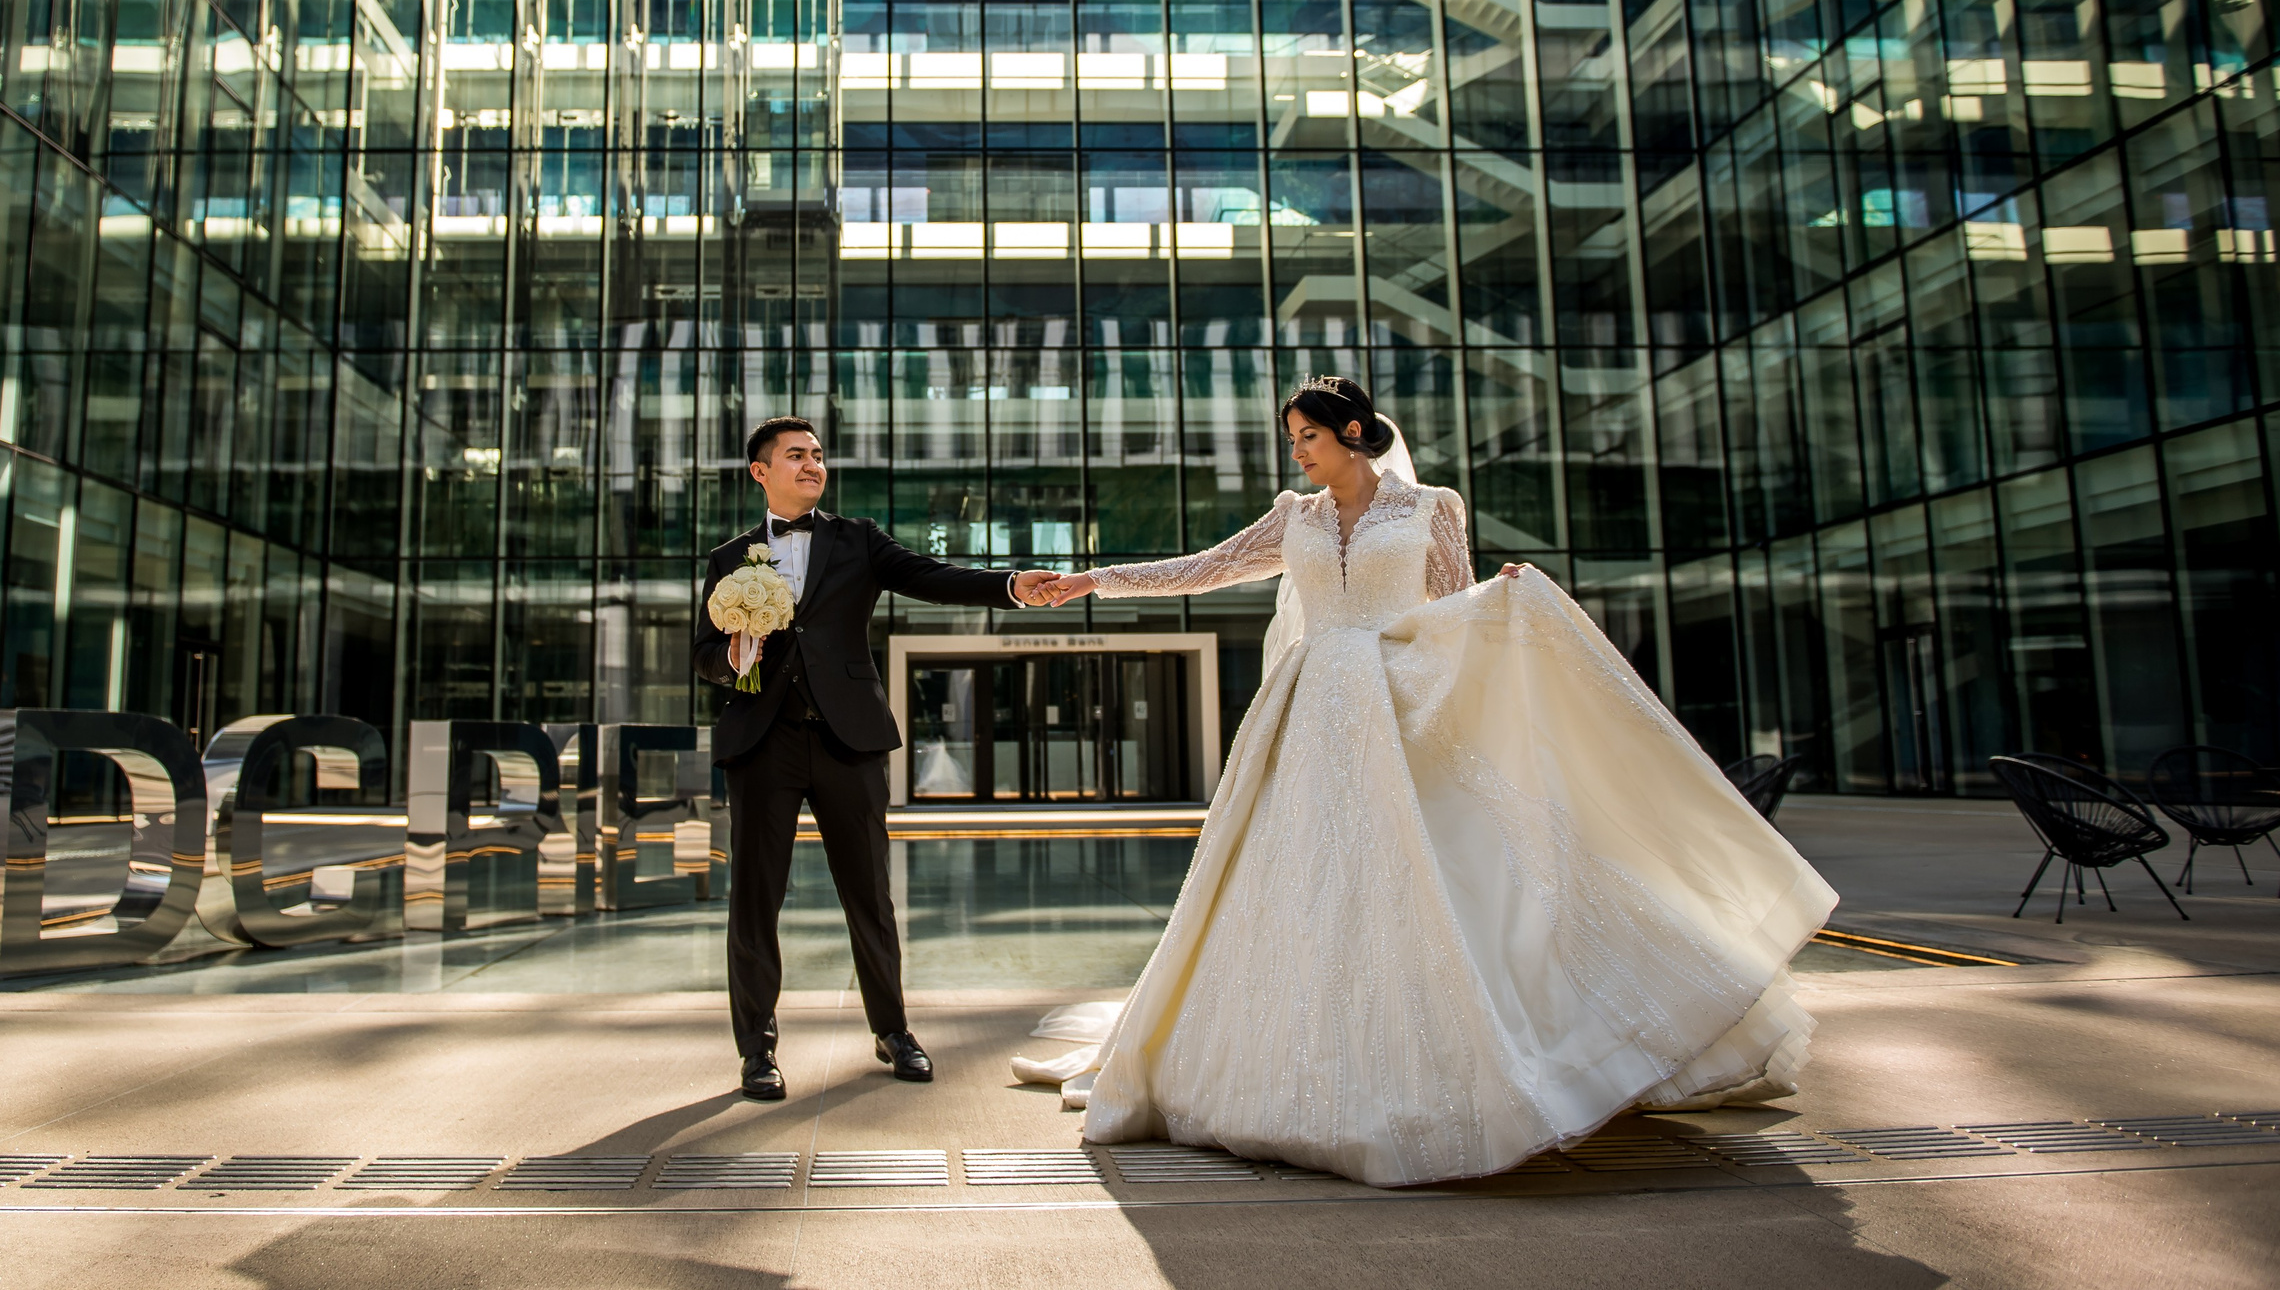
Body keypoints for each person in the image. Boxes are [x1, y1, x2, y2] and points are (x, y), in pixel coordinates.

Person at [1014, 377, 1836, 1186]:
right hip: (1306, 714)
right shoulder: (1291, 516)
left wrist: (1502, 598)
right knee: (1305, 880)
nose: (1298, 450)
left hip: (1400, 704)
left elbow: (1453, 602)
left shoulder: (1430, 507)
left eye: (1309, 434)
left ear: (1355, 432)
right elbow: (1205, 566)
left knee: (1440, 872)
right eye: (1292, 436)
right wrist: (1096, 579)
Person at [694, 416, 1051, 1103]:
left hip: (847, 738)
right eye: (796, 455)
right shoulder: (727, 558)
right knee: (754, 900)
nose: (812, 464)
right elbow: (704, 655)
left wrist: (1010, 585)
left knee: (870, 895)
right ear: (760, 471)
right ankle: (758, 1048)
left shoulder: (857, 539)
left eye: (818, 455)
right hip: (762, 742)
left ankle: (893, 1030)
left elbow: (933, 576)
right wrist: (735, 654)